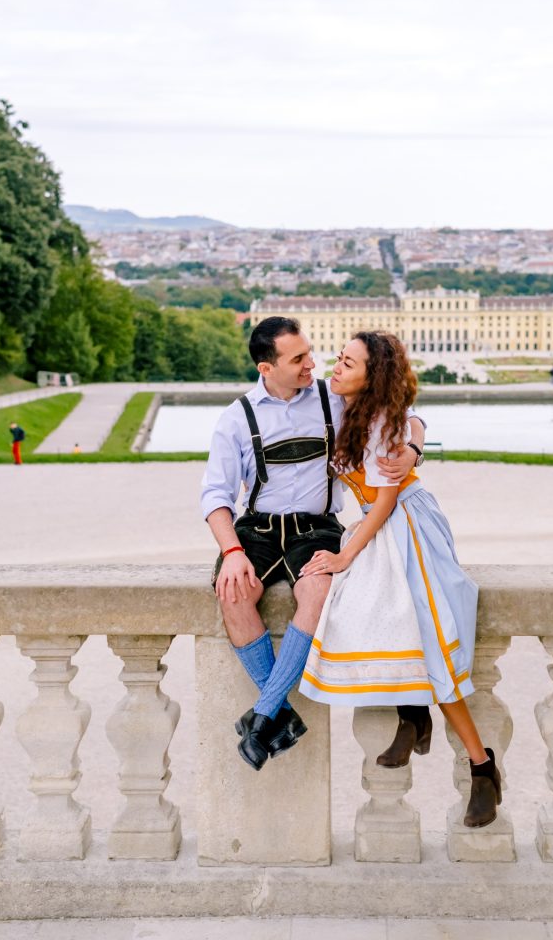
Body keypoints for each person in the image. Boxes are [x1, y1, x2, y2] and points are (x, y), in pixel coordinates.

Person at [201, 316, 426, 771]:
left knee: (319, 591)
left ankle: (264, 714)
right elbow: (215, 497)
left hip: (317, 526)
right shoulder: (236, 418)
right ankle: (277, 714)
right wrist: (231, 552)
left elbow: (403, 411)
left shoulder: (332, 397)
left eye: (309, 353)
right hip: (258, 529)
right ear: (267, 367)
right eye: (299, 358)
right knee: (234, 595)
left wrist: (414, 447)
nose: (312, 364)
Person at [298, 331, 502, 829]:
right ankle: (414, 715)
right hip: (377, 522)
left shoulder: (382, 422)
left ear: (372, 376)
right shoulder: (341, 402)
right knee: (377, 617)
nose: (336, 367)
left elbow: (387, 498)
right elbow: (418, 418)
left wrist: (346, 555)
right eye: (339, 358)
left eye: (349, 363)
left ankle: (482, 767)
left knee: (432, 642)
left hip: (406, 526)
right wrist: (416, 442)